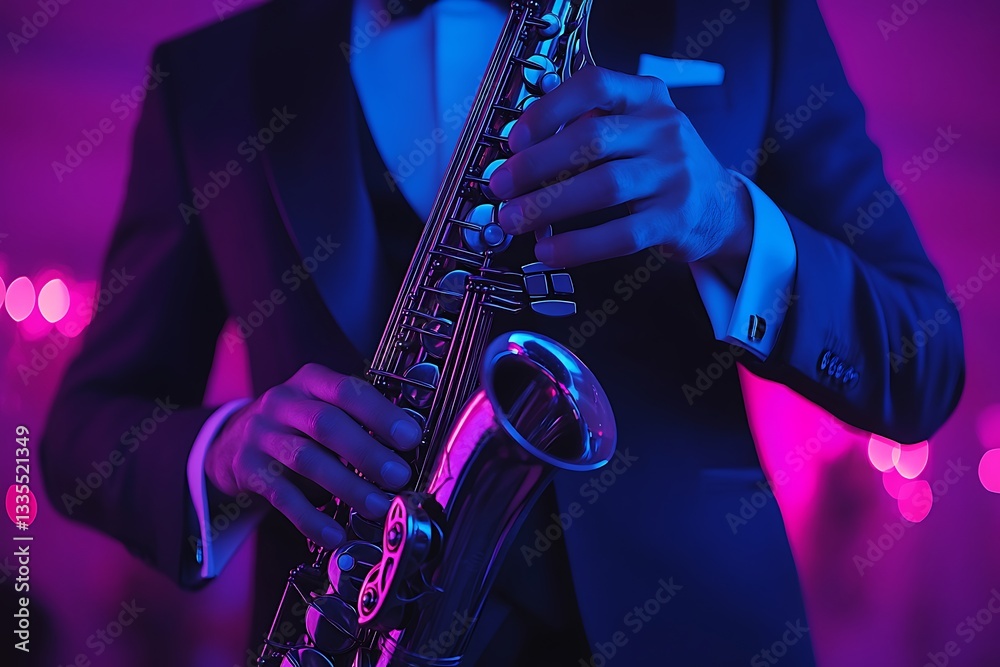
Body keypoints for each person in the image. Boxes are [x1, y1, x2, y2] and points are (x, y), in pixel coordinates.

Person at [41, 0, 964, 664]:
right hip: (351, 632)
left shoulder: (749, 17)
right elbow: (83, 429)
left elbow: (923, 360)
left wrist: (725, 215)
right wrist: (226, 448)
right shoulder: (206, 80)